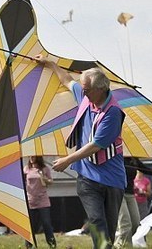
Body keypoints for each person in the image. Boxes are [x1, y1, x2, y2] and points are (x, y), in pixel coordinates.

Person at [37, 55, 125, 249]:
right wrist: (50, 63)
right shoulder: (86, 96)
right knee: (96, 221)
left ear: (100, 89)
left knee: (108, 231)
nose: (83, 94)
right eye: (82, 90)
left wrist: (67, 160)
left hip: (112, 179)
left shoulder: (113, 113)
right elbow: (67, 80)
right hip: (87, 177)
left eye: (87, 90)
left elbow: (96, 145)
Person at [116, 158, 152, 247]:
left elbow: (145, 169)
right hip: (118, 193)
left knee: (136, 223)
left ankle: (119, 242)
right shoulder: (118, 157)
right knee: (125, 224)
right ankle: (122, 245)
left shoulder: (134, 160)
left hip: (130, 194)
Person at [23, 156, 56, 249]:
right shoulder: (26, 169)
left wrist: (44, 178)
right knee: (30, 225)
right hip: (30, 200)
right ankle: (29, 245)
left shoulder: (44, 169)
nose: (31, 158)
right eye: (30, 156)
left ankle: (52, 244)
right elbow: (23, 181)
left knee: (46, 223)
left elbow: (50, 182)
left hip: (42, 200)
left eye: (33, 156)